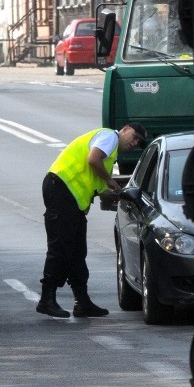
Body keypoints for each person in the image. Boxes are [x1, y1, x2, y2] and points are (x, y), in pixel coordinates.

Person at [37, 123, 147, 319]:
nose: (135, 143)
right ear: (125, 129)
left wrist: (118, 194)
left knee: (78, 250)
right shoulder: (109, 138)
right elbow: (93, 160)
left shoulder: (110, 154)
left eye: (139, 142)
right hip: (61, 189)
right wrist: (110, 180)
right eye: (135, 136)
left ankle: (82, 302)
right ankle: (47, 298)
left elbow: (96, 184)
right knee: (61, 247)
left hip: (70, 199)